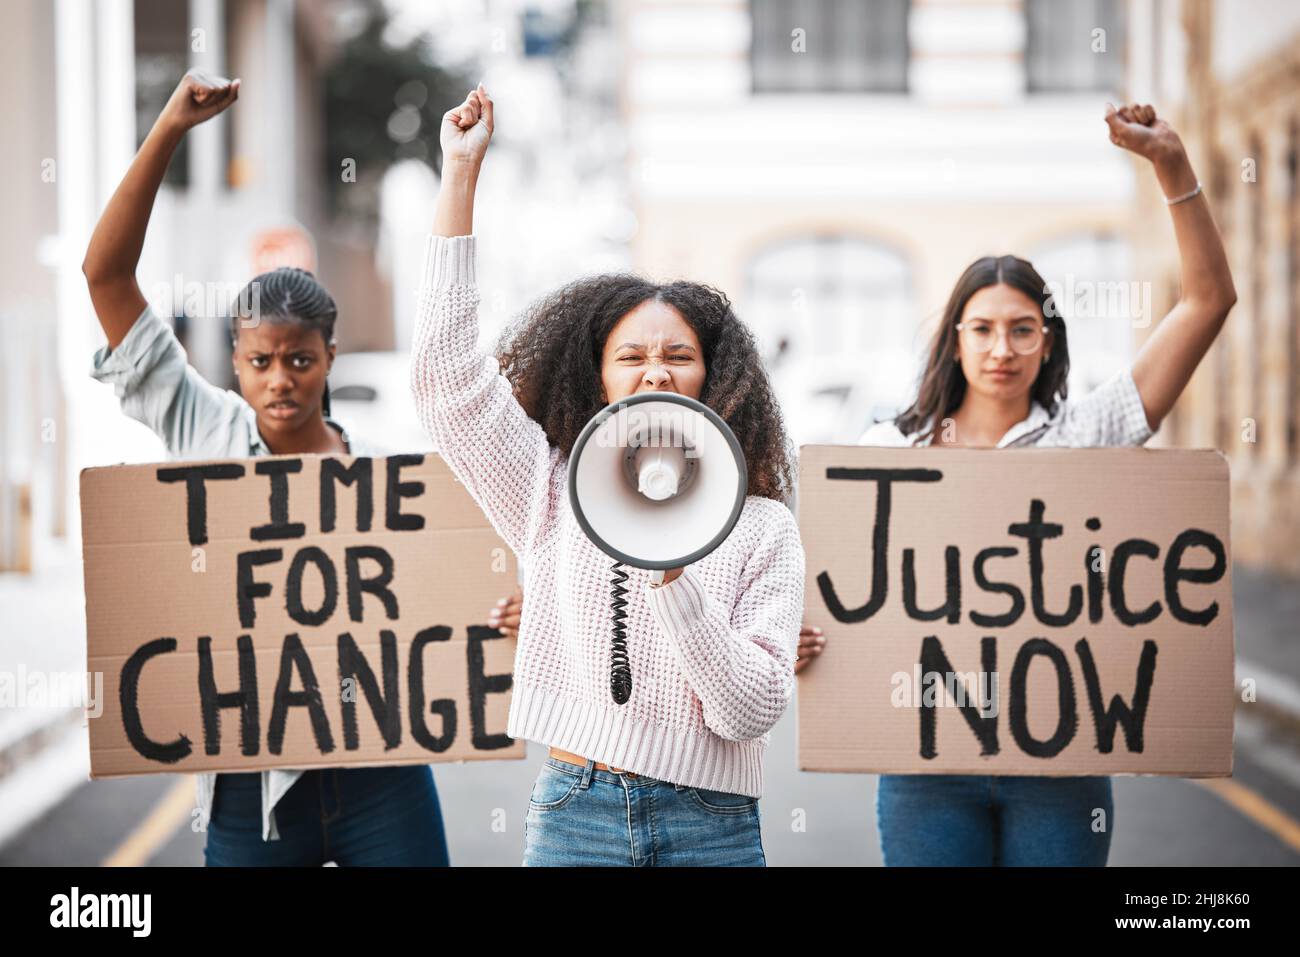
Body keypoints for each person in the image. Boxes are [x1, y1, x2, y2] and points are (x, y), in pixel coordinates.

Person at [411, 85, 805, 866]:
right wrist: (459, 176)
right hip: (576, 809)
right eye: (631, 357)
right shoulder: (549, 488)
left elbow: (749, 708)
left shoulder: (763, 524)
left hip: (713, 821)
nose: (654, 372)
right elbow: (444, 381)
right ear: (595, 378)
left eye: (678, 356)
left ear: (715, 375)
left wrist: (675, 577)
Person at [841, 102, 1235, 866]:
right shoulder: (889, 448)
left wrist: (1172, 167)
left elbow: (1208, 303)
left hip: (1059, 766)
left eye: (1022, 328)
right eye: (983, 328)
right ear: (954, 339)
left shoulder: (1089, 433)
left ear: (1046, 339)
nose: (1002, 348)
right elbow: (849, 595)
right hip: (927, 769)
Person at [83, 69, 450, 866]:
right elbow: (105, 276)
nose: (280, 379)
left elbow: (440, 616)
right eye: (260, 361)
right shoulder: (201, 425)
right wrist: (170, 129)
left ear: (329, 357)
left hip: (380, 770)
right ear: (237, 361)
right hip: (250, 787)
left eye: (300, 359)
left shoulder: (382, 477)